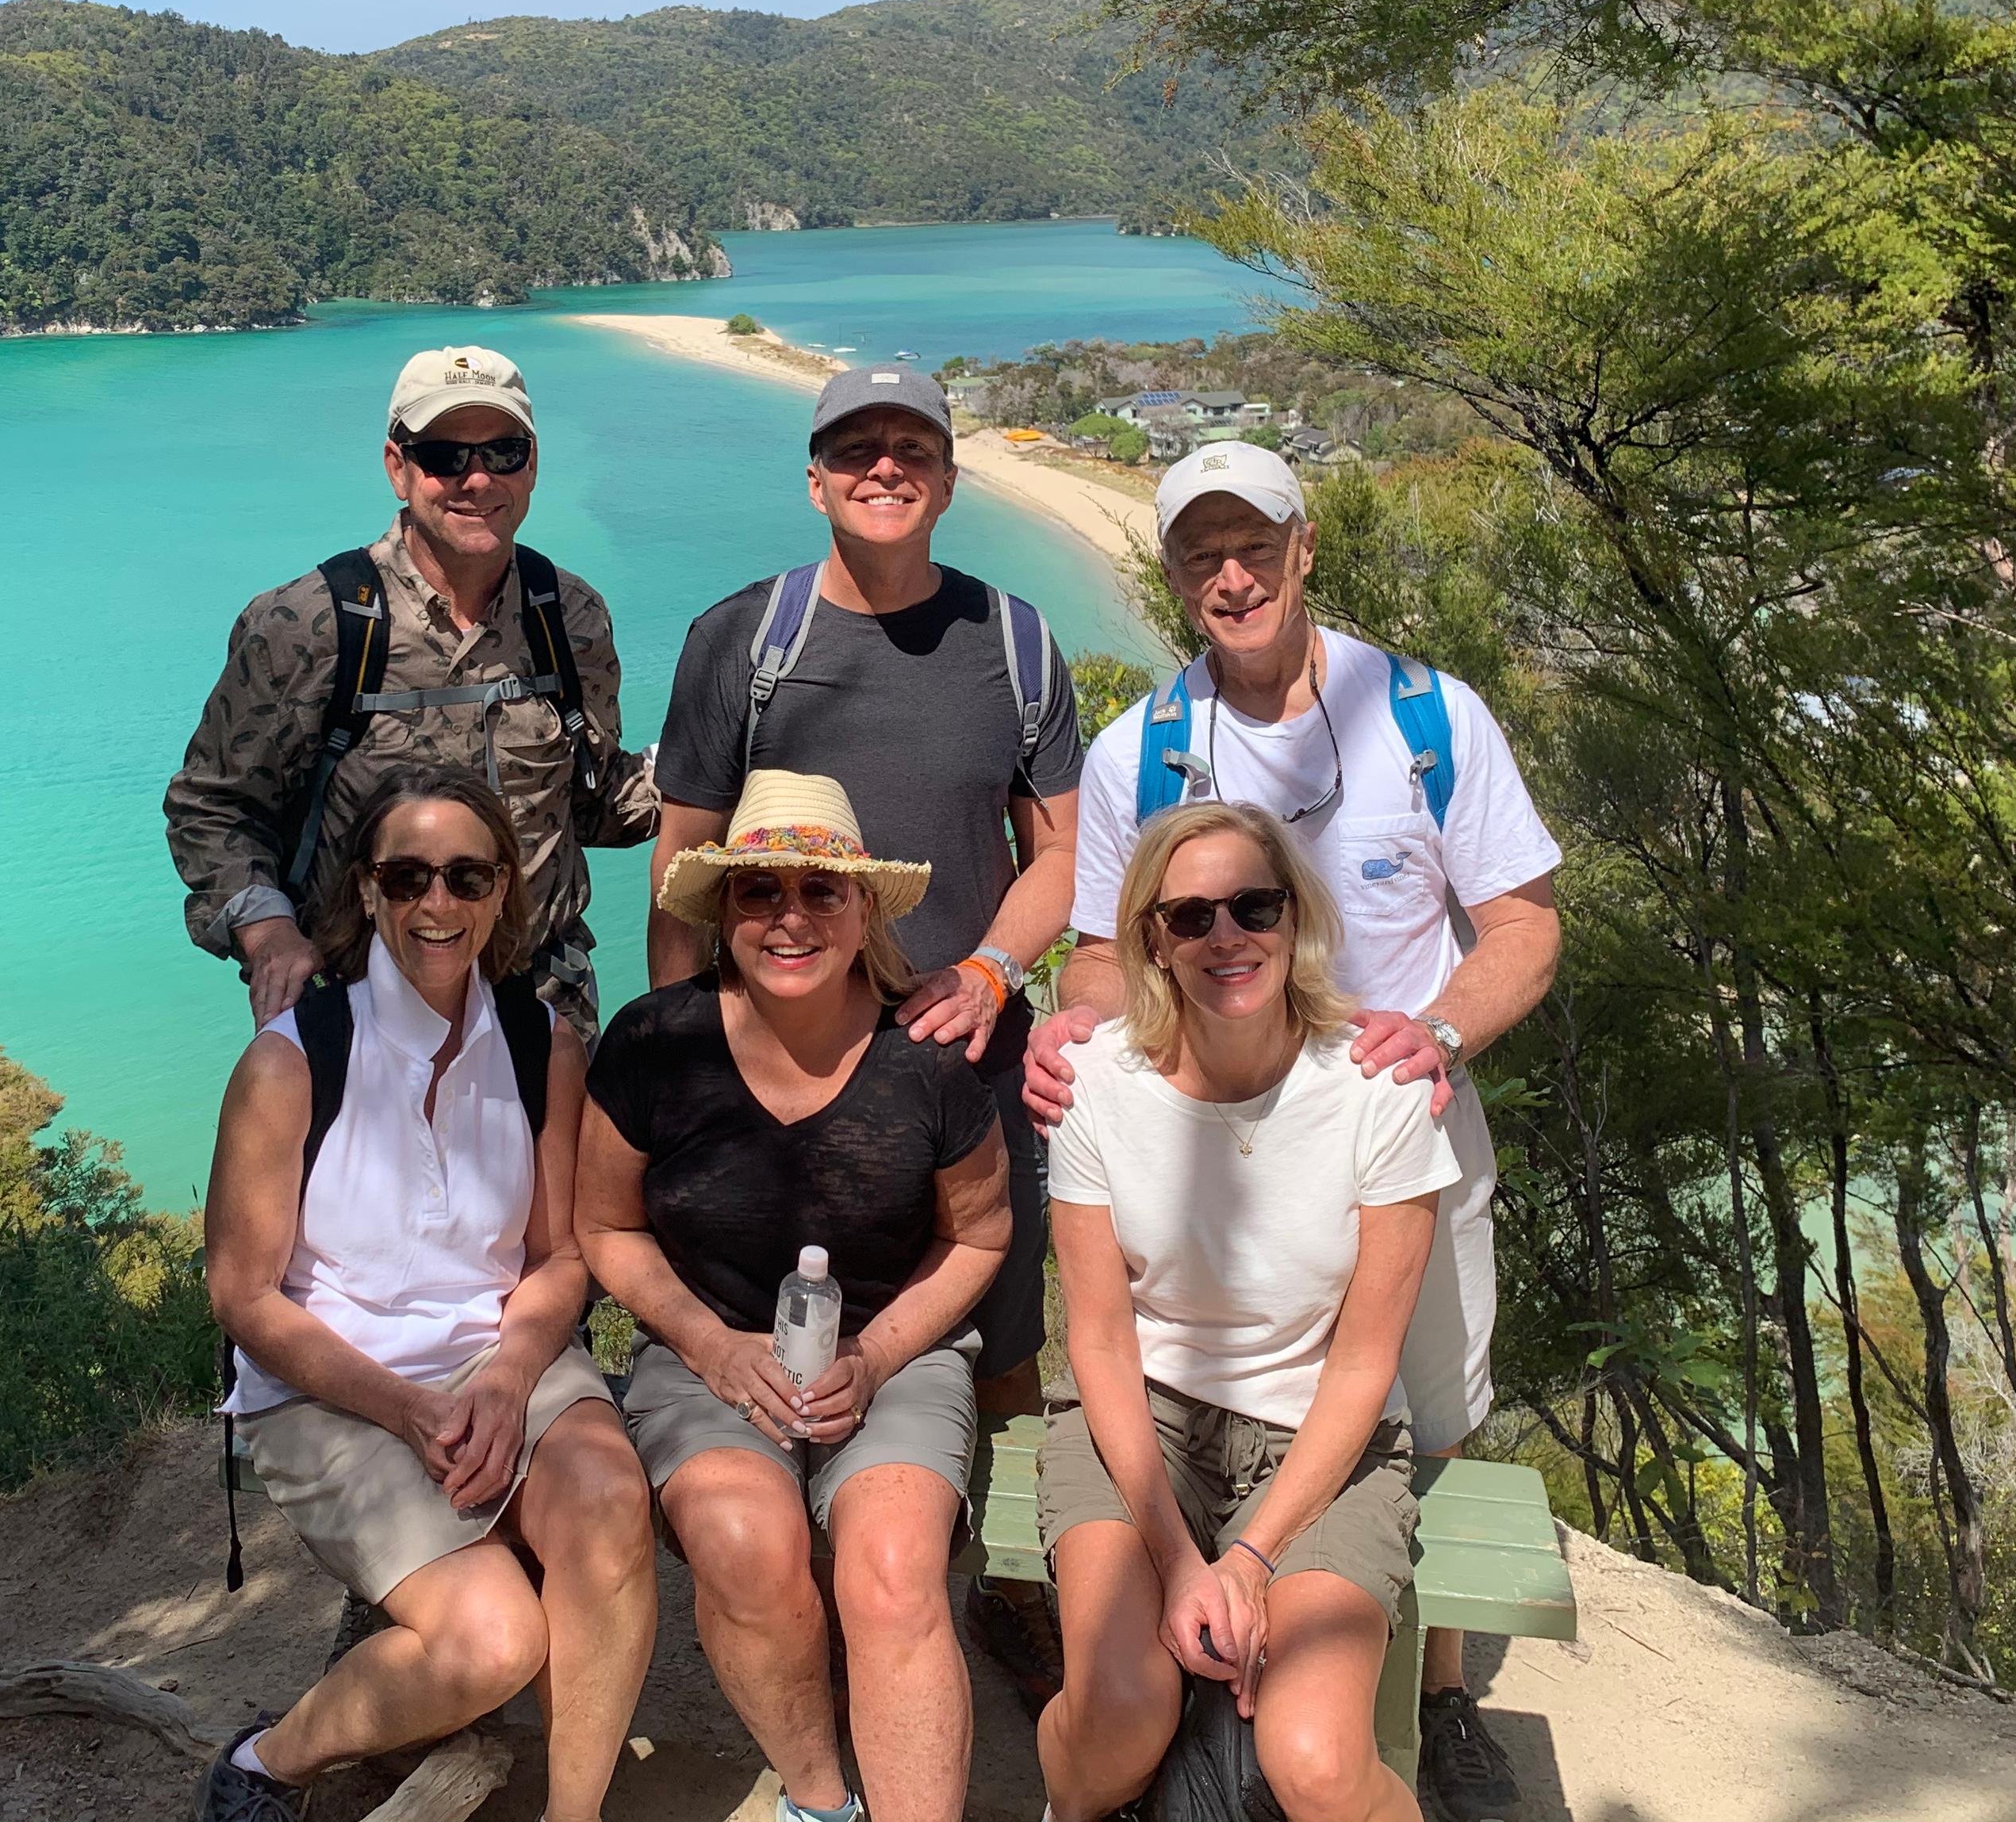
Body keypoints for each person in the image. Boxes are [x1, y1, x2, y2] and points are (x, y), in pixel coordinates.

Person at [1028, 439, 1559, 1820]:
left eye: (1253, 542)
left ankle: (1433, 1694)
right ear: (1176, 574)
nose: (1231, 572)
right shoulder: (1138, 747)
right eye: (1201, 551)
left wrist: (1433, 1036)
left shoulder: (1429, 717)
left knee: (1422, 1414)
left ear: (1304, 545)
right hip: (1199, 1122)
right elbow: (1100, 951)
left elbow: (1524, 929)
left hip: (1399, 1118)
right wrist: (1079, 1032)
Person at [646, 362, 1079, 1693]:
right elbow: (684, 859)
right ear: (818, 477)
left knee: (992, 1338)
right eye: (855, 449)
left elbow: (1060, 850)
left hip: (962, 1065)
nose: (883, 468)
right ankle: (799, 1579)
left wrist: (997, 972)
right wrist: (681, 1057)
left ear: (948, 478)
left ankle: (984, 1578)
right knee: (785, 1311)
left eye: (911, 449)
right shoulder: (746, 639)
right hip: (780, 1060)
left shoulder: (1012, 641)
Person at [200, 767, 656, 1822]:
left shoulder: (546, 1047)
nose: (435, 905)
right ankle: (272, 1759)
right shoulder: (293, 1061)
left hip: (504, 1353)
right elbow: (246, 1298)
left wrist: (502, 1382)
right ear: (367, 892)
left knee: (609, 1503)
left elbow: (559, 1259)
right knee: (491, 1641)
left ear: (502, 896)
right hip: (330, 1388)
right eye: (407, 878)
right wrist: (408, 1410)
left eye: (465, 876)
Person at [581, 771, 1011, 1822]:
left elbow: (980, 1234)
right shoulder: (653, 1045)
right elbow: (604, 1227)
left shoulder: (929, 1059)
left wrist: (878, 1356)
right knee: (746, 1549)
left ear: (865, 909)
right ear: (722, 912)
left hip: (893, 1350)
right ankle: (821, 1800)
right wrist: (711, 1344)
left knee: (894, 1573)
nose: (790, 917)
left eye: (821, 891)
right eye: (758, 891)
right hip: (702, 1351)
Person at [1039, 801, 1454, 1822]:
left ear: (1294, 917)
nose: (1226, 937)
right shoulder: (1094, 1088)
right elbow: (1097, 1334)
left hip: (1322, 1440)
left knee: (1313, 1761)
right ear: (1153, 942)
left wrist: (1250, 1558)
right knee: (1119, 1712)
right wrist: (1182, 1563)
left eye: (1253, 906)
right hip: (1143, 1425)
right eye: (1190, 918)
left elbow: (1362, 1365)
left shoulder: (1378, 1093)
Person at [167, 343, 659, 1039]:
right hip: (360, 1010)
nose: (478, 480)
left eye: (503, 452)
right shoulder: (308, 623)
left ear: (534, 463)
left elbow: (594, 798)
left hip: (544, 1014)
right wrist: (268, 930)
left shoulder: (569, 617)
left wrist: (724, 760)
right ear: (399, 467)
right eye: (445, 457)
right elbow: (213, 804)